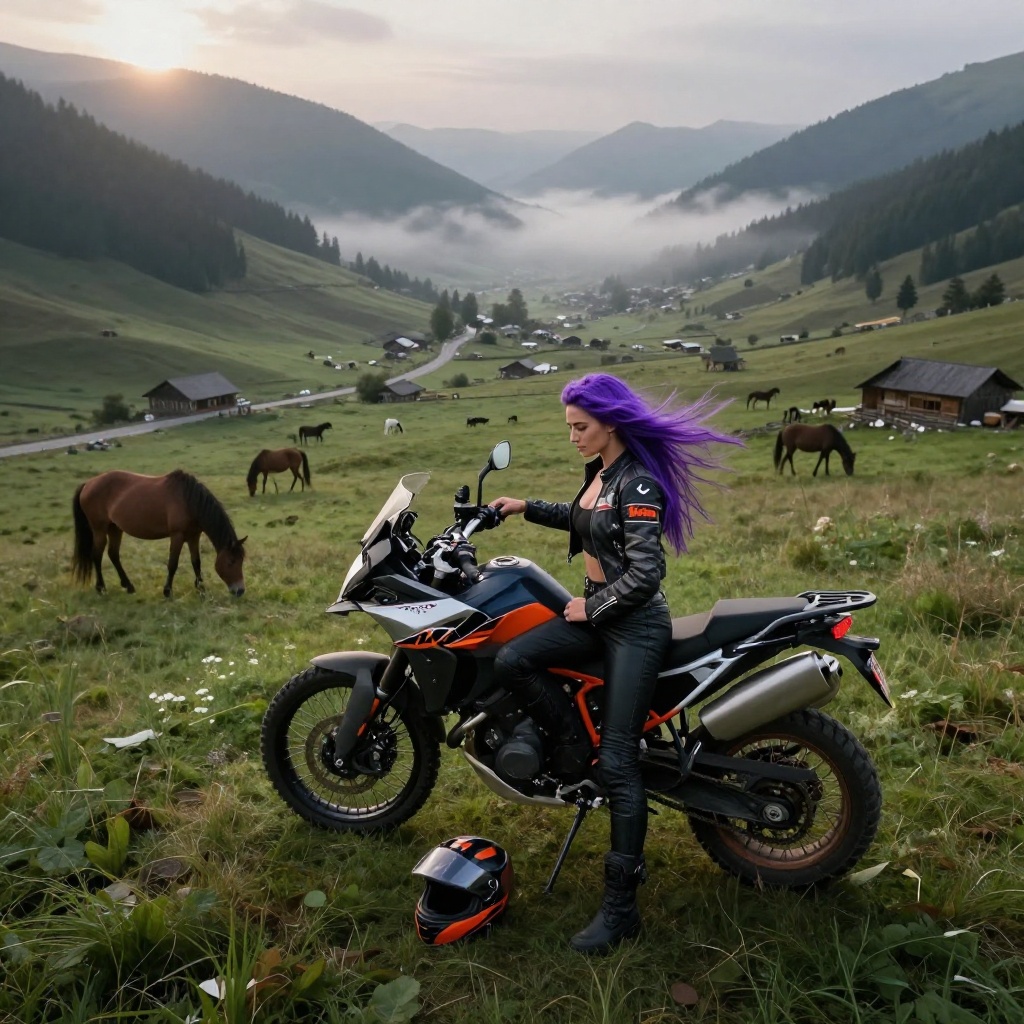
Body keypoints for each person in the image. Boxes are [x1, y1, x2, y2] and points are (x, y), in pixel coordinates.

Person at [489, 372, 741, 954]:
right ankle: (574, 748)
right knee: (514, 658)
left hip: (633, 626)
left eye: (580, 427)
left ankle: (621, 908)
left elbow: (647, 573)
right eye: (569, 427)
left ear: (610, 423)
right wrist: (524, 507)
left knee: (620, 767)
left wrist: (591, 607)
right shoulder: (601, 473)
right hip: (602, 619)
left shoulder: (638, 484)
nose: (572, 436)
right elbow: (584, 520)